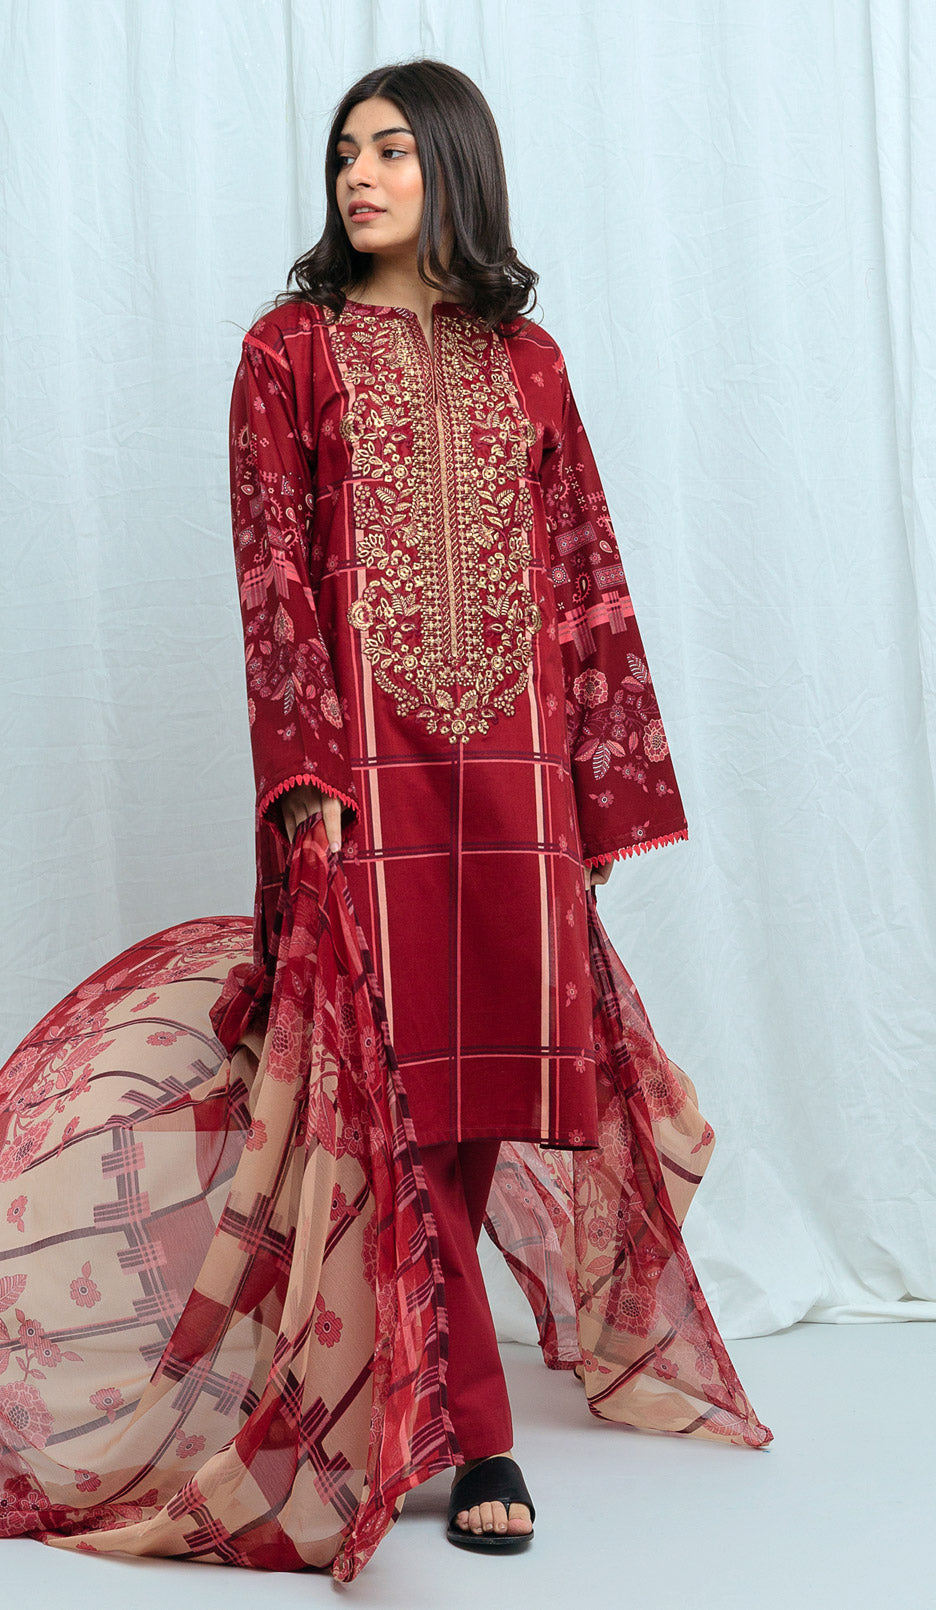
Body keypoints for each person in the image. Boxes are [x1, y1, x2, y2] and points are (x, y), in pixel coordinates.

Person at [228, 58, 688, 1550]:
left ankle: (418, 1372)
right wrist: (303, 775)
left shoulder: (529, 361)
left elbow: (584, 567)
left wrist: (601, 794)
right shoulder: (287, 351)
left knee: (485, 1076)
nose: (357, 177)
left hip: (520, 762)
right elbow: (274, 578)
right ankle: (476, 1432)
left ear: (454, 168)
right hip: (365, 771)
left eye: (390, 152)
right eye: (342, 154)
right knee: (399, 1078)